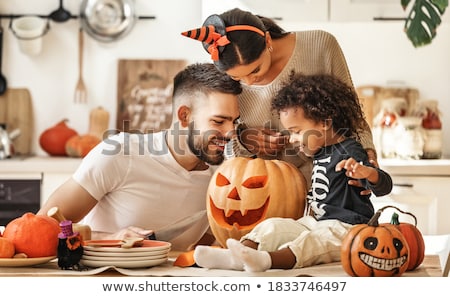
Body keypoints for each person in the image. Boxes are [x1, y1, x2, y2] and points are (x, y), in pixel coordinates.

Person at [193, 73, 393, 272]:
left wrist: (366, 173)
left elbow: (384, 185)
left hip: (349, 229)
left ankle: (267, 261)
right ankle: (236, 256)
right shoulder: (321, 150)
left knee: (311, 242)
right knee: (274, 226)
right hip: (316, 223)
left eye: (296, 131)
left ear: (324, 123)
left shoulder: (350, 150)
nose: (292, 139)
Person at [37, 63, 242, 252]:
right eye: (218, 121)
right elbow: (41, 227)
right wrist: (111, 238)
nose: (230, 132)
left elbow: (194, 251)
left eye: (234, 122)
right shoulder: (119, 152)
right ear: (184, 116)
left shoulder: (223, 178)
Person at [181, 8, 377, 188]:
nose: (248, 82)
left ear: (267, 41)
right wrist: (243, 140)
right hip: (263, 191)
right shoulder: (221, 82)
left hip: (330, 185)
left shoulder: (320, 45)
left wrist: (367, 156)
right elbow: (221, 148)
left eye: (255, 69)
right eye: (237, 77)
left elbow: (352, 115)